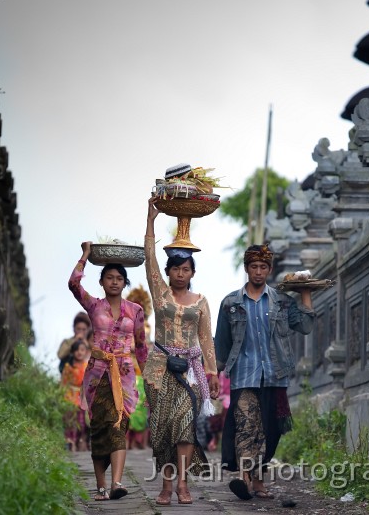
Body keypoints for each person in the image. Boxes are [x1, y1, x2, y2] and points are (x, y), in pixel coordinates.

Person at [214, 243, 315, 500]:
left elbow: (304, 326)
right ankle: (244, 479)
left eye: (263, 267)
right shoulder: (231, 303)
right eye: (253, 267)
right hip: (244, 375)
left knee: (269, 430)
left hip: (274, 374)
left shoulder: (282, 301)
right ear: (246, 269)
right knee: (247, 427)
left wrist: (305, 293)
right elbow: (221, 343)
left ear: (269, 270)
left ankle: (258, 482)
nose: (258, 272)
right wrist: (215, 373)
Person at [143, 196, 219, 506]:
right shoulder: (159, 291)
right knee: (163, 432)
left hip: (189, 372)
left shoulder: (201, 302)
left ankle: (182, 485)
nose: (179, 274)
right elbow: (148, 257)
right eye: (175, 268)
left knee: (185, 427)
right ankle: (165, 485)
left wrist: (212, 375)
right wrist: (150, 221)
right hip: (159, 370)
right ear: (169, 271)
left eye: (185, 269)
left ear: (192, 272)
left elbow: (206, 340)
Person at [68, 242, 147, 501]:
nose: (114, 282)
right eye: (110, 278)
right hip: (97, 375)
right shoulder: (93, 306)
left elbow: (141, 345)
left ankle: (116, 483)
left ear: (125, 283)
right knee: (100, 429)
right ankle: (101, 486)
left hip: (123, 376)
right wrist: (85, 255)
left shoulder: (136, 311)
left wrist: (147, 375)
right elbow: (74, 285)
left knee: (118, 426)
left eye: (119, 279)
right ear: (102, 281)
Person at [61, 339, 89, 452]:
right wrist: (62, 396)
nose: (79, 352)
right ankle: (70, 441)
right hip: (69, 396)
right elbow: (64, 382)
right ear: (72, 352)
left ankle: (80, 441)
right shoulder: (68, 367)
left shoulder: (87, 366)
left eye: (82, 350)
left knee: (82, 422)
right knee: (70, 421)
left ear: (86, 352)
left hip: (82, 396)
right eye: (76, 350)